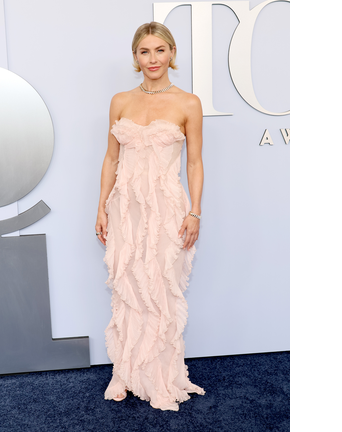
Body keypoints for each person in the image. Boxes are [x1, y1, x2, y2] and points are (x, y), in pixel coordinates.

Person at [95, 22, 205, 411]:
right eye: (145, 52)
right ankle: (125, 371)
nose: (153, 59)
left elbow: (194, 163)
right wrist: (102, 205)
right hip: (126, 208)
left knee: (160, 288)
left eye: (160, 50)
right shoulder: (120, 100)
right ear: (135, 57)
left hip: (166, 211)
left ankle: (159, 375)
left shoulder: (188, 103)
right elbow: (111, 158)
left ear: (172, 53)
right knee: (127, 286)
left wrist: (194, 211)